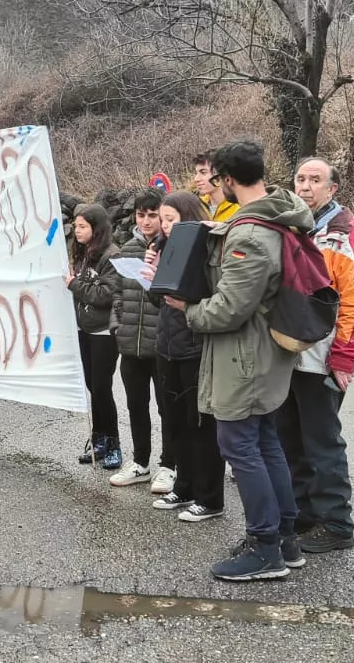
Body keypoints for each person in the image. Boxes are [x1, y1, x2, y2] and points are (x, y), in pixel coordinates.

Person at [182, 141, 313, 582]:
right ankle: (285, 538)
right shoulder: (279, 214)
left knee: (239, 445)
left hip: (245, 353)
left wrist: (188, 311)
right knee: (264, 441)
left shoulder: (251, 233)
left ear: (228, 180)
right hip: (263, 350)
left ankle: (264, 548)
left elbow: (229, 308)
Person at [279, 157, 354, 555]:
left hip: (322, 358)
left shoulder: (345, 236)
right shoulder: (295, 230)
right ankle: (305, 515)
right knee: (292, 440)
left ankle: (337, 523)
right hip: (291, 355)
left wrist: (344, 358)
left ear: (332, 189)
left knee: (322, 442)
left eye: (315, 180)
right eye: (300, 178)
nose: (305, 186)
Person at [145, 192, 224, 523]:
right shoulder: (163, 249)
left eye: (171, 219)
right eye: (163, 219)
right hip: (167, 347)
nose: (164, 225)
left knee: (200, 425)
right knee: (175, 421)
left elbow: (208, 298)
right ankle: (185, 485)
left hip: (194, 347)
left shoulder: (205, 252)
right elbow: (158, 304)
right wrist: (151, 278)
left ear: (189, 218)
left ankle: (211, 497)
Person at [107, 188, 167, 488]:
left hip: (162, 344)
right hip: (131, 344)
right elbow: (118, 293)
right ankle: (141, 461)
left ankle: (170, 464)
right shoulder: (127, 249)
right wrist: (118, 326)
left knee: (167, 408)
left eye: (152, 215)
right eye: (141, 215)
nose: (146, 221)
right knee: (136, 405)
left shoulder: (172, 248)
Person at [67, 203, 122, 469]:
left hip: (104, 331)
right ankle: (98, 438)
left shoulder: (112, 256)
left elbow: (106, 295)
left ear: (96, 228)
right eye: (76, 226)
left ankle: (114, 443)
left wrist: (74, 284)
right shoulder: (82, 254)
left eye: (82, 226)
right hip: (84, 328)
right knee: (92, 386)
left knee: (102, 387)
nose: (77, 231)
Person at [191, 152, 239, 223]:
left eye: (203, 172)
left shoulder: (239, 208)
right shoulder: (196, 206)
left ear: (221, 174)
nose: (196, 179)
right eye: (197, 173)